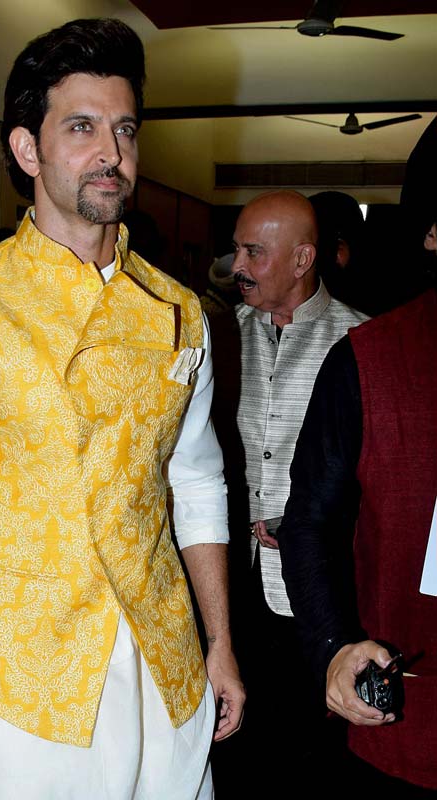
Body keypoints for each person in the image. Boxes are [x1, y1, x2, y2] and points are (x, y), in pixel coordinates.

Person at [0, 18, 244, 800]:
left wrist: (221, 643)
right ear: (27, 150)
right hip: (21, 691)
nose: (112, 153)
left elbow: (199, 485)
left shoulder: (179, 313)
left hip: (162, 673)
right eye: (81, 127)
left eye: (124, 129)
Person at [279, 153, 437, 798]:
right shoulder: (367, 360)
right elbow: (310, 523)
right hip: (406, 719)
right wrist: (333, 642)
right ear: (432, 230)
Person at [210, 190, 368, 797]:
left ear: (302, 259)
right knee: (236, 750)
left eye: (253, 251)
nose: (237, 265)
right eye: (236, 248)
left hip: (317, 590)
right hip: (230, 586)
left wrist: (318, 521)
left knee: (311, 759)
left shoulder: (361, 343)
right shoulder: (221, 339)